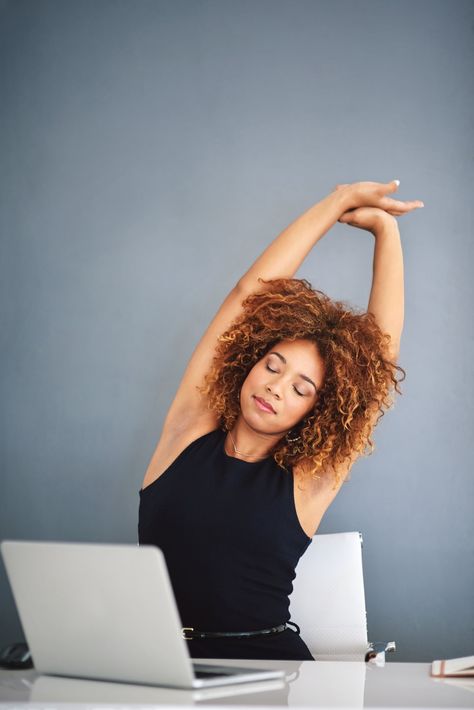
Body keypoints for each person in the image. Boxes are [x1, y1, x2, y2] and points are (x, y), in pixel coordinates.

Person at [138, 179, 423, 661]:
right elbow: (247, 295)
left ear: (319, 409)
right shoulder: (185, 432)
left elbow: (379, 360)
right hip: (161, 666)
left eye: (300, 388)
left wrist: (385, 233)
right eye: (272, 365)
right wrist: (335, 201)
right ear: (247, 362)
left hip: (272, 673)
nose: (275, 386)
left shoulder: (309, 480)